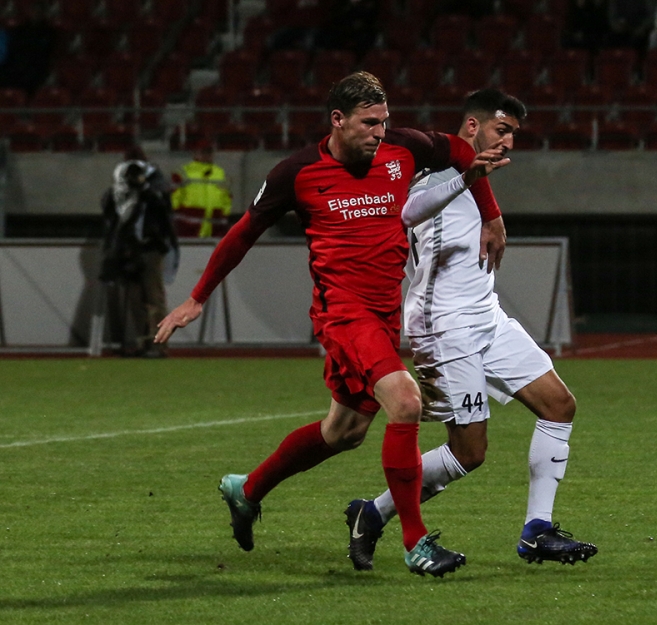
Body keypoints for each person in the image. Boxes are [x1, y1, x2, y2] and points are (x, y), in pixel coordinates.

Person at [153, 72, 509, 578]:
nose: (379, 133)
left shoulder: (404, 148)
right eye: (368, 123)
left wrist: (491, 216)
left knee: (343, 432)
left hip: (383, 314)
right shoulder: (297, 173)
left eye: (383, 122)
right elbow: (243, 232)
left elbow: (464, 155)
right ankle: (416, 543)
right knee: (406, 402)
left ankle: (247, 489)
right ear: (338, 120)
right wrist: (196, 297)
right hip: (343, 314)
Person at [344, 88, 598, 572]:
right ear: (473, 126)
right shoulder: (433, 173)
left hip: (487, 317)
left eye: (514, 134)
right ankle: (372, 514)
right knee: (469, 452)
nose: (509, 142)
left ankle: (537, 531)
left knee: (559, 405)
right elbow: (407, 211)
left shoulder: (476, 179)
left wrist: (486, 204)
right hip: (445, 326)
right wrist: (469, 182)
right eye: (502, 130)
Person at [100, 160, 178, 358]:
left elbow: (163, 223)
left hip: (150, 249)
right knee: (135, 299)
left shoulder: (151, 197)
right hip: (131, 251)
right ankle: (144, 343)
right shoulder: (120, 198)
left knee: (154, 297)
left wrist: (156, 242)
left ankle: (159, 345)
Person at [170, 140, 232, 238]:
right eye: (203, 151)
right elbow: (174, 199)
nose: (206, 155)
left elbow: (227, 199)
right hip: (188, 227)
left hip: (215, 228)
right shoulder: (183, 172)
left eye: (209, 152)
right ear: (195, 152)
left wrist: (224, 215)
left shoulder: (221, 173)